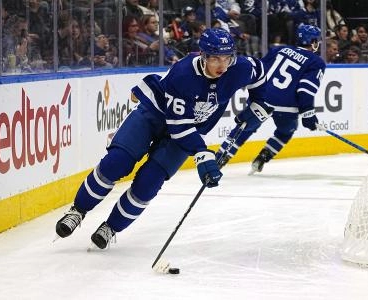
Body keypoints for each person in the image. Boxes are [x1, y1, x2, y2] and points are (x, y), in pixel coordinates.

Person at [54, 27, 271, 249]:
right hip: (154, 115)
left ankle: (111, 227)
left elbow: (261, 74)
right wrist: (201, 153)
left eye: (227, 58)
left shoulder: (241, 67)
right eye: (215, 58)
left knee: (149, 183)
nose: (223, 66)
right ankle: (78, 210)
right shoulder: (184, 74)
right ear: (203, 56)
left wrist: (260, 103)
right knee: (116, 162)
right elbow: (179, 126)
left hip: (186, 130)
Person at [217, 24, 326, 174]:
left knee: (244, 128)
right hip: (287, 107)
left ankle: (219, 159)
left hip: (262, 99)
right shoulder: (316, 61)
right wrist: (308, 115)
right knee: (285, 131)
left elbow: (259, 70)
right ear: (313, 42)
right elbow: (305, 90)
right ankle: (263, 157)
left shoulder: (278, 50)